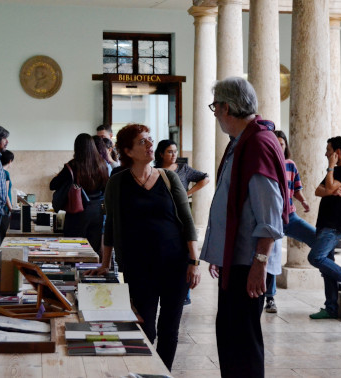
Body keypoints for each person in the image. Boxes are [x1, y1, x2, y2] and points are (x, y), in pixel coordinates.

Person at [87, 124, 201, 371]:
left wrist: (194, 262)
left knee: (169, 330)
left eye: (150, 140)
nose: (150, 145)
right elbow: (111, 226)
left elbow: (187, 221)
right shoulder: (117, 183)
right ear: (127, 151)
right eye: (142, 142)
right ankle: (146, 372)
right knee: (145, 329)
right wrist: (105, 264)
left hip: (175, 266)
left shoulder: (168, 178)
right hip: (139, 269)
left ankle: (162, 374)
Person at [200, 77, 288, 378]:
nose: (214, 113)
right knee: (229, 334)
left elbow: (270, 213)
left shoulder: (258, 144)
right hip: (236, 261)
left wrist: (259, 263)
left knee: (243, 340)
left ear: (226, 107)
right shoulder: (242, 142)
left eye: (215, 107)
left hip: (248, 263)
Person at [264, 131, 317, 314]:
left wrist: (303, 201)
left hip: (290, 216)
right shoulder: (265, 165)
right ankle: (270, 298)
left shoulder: (290, 165)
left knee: (318, 238)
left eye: (282, 143)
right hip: (272, 219)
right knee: (272, 258)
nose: (280, 146)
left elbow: (296, 188)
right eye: (276, 143)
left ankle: (336, 279)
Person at [308, 136, 341, 320]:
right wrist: (331, 189)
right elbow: (318, 190)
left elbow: (327, 186)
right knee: (325, 268)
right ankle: (331, 308)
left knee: (315, 257)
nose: (325, 153)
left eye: (328, 150)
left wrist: (330, 171)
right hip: (323, 222)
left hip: (334, 223)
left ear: (337, 153)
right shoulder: (336, 171)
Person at [155, 139, 210, 305]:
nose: (174, 155)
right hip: (162, 218)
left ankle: (184, 293)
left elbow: (205, 178)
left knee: (184, 251)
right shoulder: (154, 171)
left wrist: (188, 193)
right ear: (161, 154)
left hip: (181, 216)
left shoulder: (184, 169)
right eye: (170, 152)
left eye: (175, 151)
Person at [49, 133, 108, 253]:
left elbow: (52, 185)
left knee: (72, 247)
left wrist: (67, 181)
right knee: (92, 250)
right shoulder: (102, 164)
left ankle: (73, 271)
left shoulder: (72, 165)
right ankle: (90, 271)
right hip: (97, 211)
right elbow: (105, 188)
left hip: (78, 210)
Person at [0, 150, 14, 241]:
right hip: (5, 208)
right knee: (4, 233)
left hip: (2, 207)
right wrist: (11, 208)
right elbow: (5, 193)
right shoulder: (5, 173)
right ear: (10, 161)